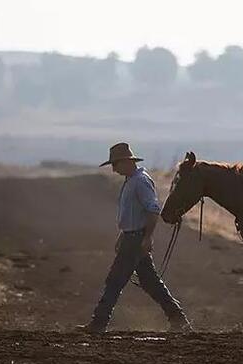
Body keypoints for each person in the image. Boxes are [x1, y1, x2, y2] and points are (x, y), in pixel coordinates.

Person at [80, 142, 192, 334]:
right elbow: (135, 214)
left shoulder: (140, 181)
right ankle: (178, 319)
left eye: (115, 164)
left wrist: (147, 238)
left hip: (135, 239)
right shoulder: (132, 180)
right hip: (132, 237)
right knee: (150, 282)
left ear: (126, 162)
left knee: (114, 281)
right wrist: (124, 235)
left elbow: (152, 210)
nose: (114, 169)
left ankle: (98, 324)